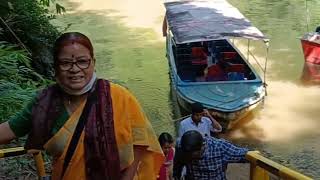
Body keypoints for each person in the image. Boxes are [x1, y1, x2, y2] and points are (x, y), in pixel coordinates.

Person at [0, 32, 164, 180]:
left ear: (93, 62)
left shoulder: (120, 97)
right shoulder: (45, 103)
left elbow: (141, 144)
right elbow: (10, 130)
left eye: (82, 61)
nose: (75, 69)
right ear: (55, 67)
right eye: (65, 63)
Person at [173, 130, 248, 180]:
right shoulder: (181, 147)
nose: (190, 157)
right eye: (187, 155)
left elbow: (244, 154)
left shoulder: (219, 147)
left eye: (193, 156)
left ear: (202, 146)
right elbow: (178, 164)